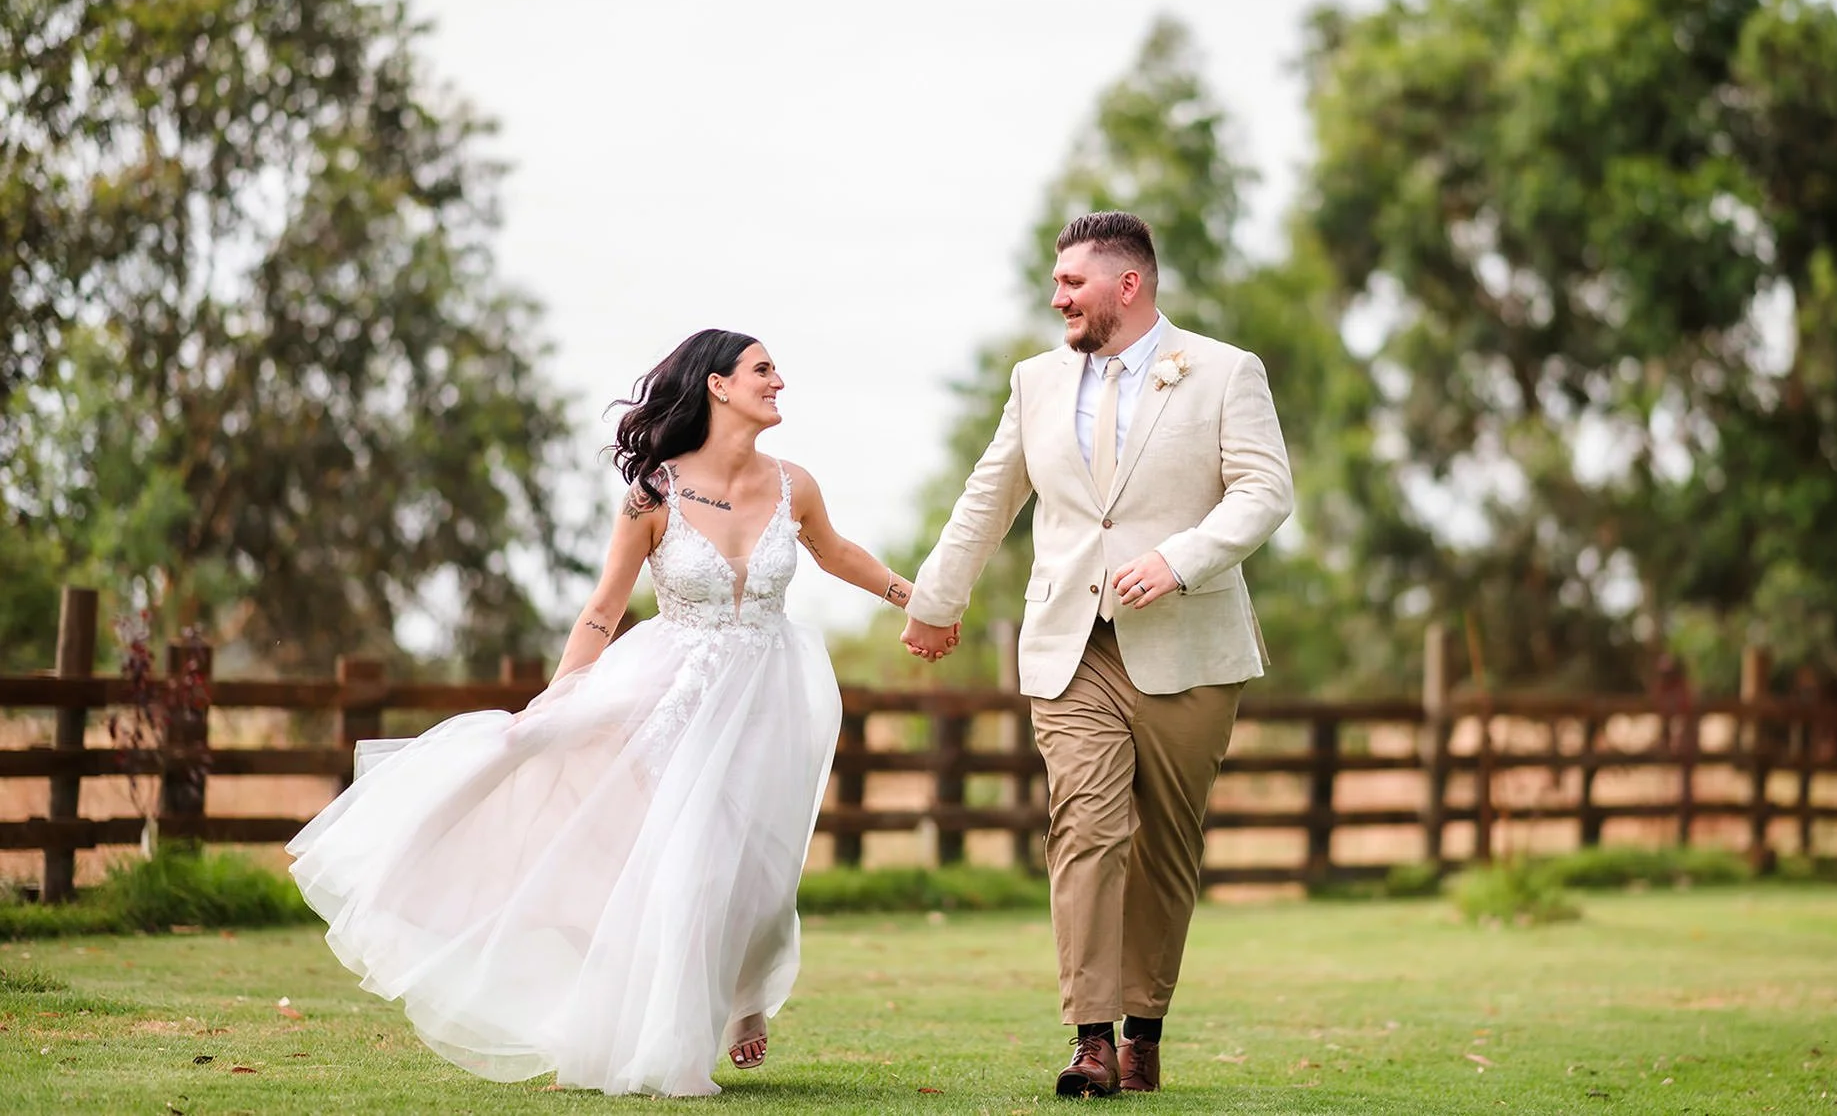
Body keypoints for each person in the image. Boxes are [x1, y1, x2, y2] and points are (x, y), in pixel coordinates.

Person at [288, 329, 946, 1098]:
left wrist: (919, 599)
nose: (778, 382)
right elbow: (603, 609)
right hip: (673, 697)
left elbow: (834, 552)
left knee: (763, 876)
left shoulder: (793, 484)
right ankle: (672, 1044)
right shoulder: (653, 495)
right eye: (763, 369)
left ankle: (744, 993)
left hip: (768, 700)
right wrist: (555, 698)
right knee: (691, 866)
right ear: (718, 385)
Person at [900, 212, 1293, 1098]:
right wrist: (936, 598)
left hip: (1189, 646)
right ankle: (1091, 1038)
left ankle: (1144, 1029)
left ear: (1129, 284)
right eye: (1056, 281)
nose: (1057, 297)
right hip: (1071, 648)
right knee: (1084, 827)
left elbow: (1266, 490)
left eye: (1072, 281)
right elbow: (988, 496)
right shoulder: (1035, 381)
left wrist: (1180, 559)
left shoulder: (1224, 370)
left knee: (1166, 846)